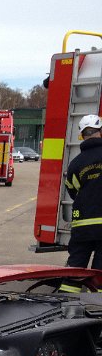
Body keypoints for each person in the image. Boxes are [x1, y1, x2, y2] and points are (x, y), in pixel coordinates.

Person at [58, 114, 102, 292]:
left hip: (82, 223)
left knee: (75, 267)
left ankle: (64, 304)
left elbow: (73, 190)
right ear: (100, 132)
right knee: (100, 270)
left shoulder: (75, 163)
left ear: (82, 135)